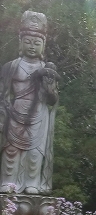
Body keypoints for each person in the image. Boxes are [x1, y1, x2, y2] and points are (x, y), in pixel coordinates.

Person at [0, 11, 59, 195]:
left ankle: (32, 183)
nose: (32, 46)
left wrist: (49, 87)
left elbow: (52, 99)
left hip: (39, 113)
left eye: (37, 43)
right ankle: (8, 182)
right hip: (15, 111)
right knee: (11, 150)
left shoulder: (46, 69)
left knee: (35, 153)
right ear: (20, 42)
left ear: (43, 45)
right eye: (28, 42)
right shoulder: (11, 66)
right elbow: (2, 94)